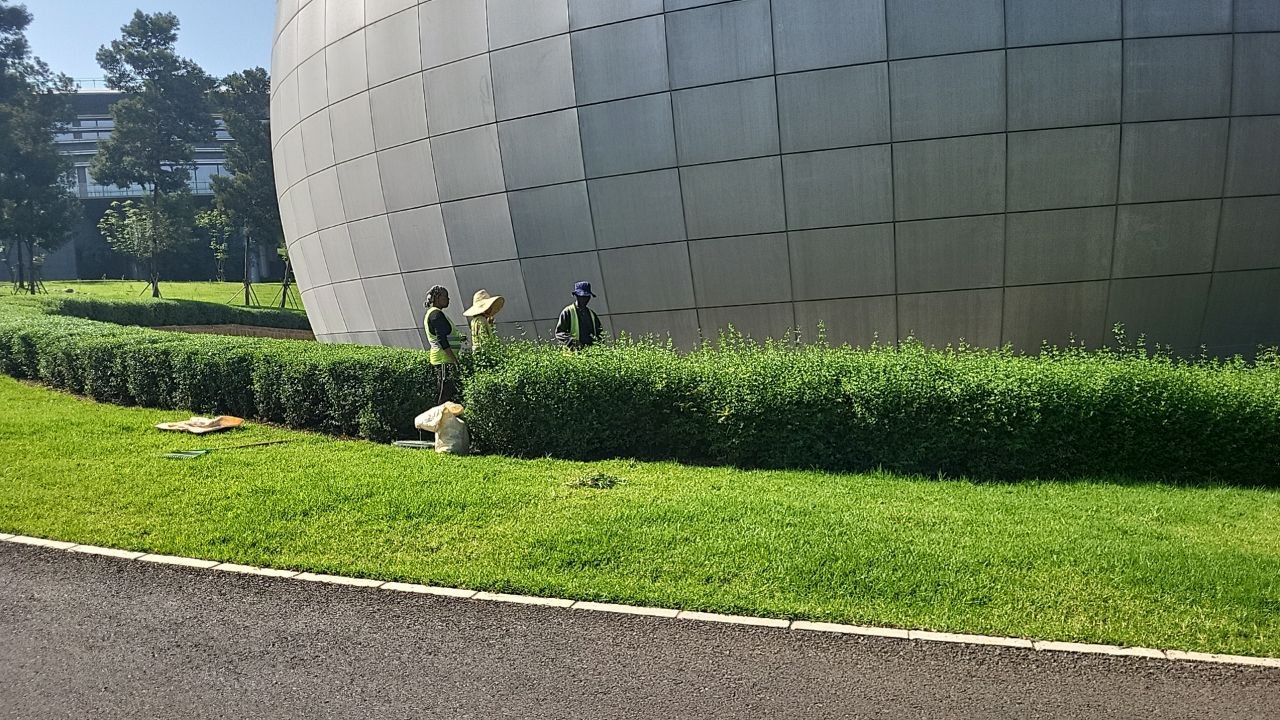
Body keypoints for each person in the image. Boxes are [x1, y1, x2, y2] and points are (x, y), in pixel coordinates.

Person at [424, 285, 459, 405]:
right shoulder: (436, 315)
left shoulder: (436, 314)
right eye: (445, 296)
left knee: (449, 395)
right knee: (444, 396)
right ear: (437, 298)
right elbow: (442, 340)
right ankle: (439, 423)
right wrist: (454, 360)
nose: (448, 299)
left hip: (445, 360)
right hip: (443, 360)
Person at [555, 281, 603, 350]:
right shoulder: (568, 312)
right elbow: (559, 333)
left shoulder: (592, 314)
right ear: (576, 296)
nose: (585, 299)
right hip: (572, 355)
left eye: (587, 297)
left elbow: (600, 334)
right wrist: (572, 342)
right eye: (582, 296)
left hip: (590, 354)